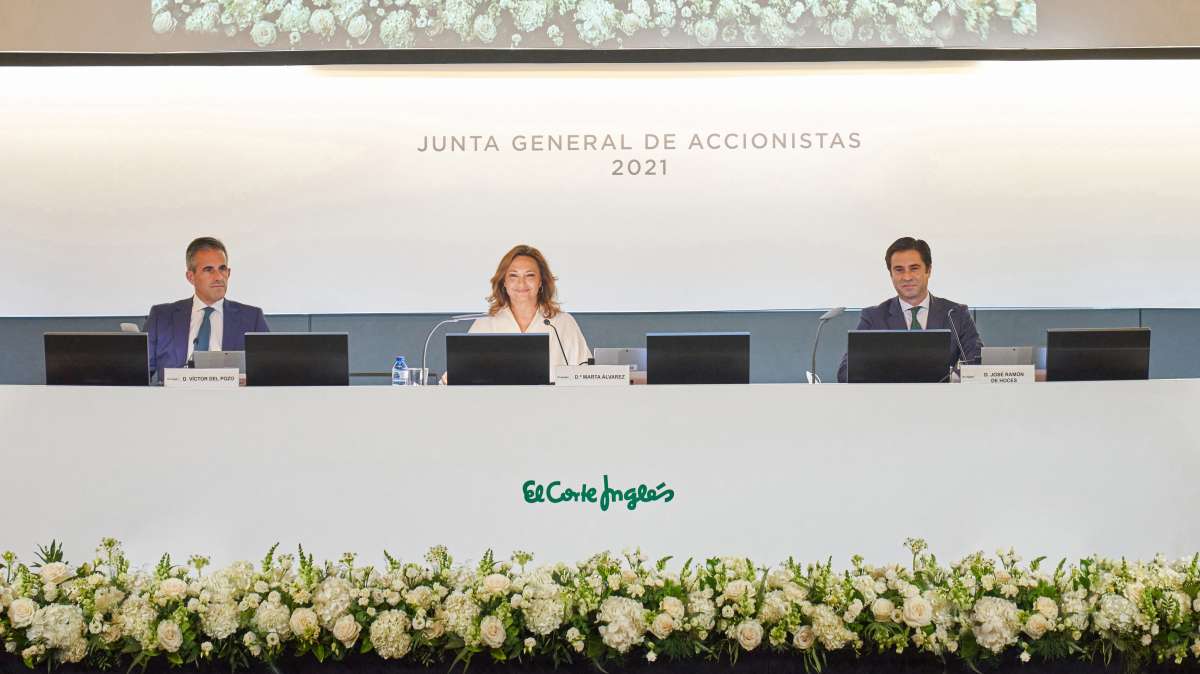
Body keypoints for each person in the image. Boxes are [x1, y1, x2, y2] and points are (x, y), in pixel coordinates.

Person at [837, 237, 982, 383]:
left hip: (942, 396)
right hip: (890, 397)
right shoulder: (874, 317)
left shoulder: (956, 314)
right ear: (891, 274)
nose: (907, 277)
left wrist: (949, 379)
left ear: (928, 270)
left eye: (914, 268)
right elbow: (845, 373)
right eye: (899, 270)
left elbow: (977, 364)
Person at [145, 237, 269, 382]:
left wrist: (249, 380)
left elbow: (268, 373)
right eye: (209, 270)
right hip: (175, 395)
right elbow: (138, 374)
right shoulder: (161, 317)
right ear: (191, 277)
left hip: (231, 395)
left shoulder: (252, 318)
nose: (218, 277)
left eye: (222, 269)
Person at [468, 245, 591, 377]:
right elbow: (466, 374)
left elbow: (586, 374)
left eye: (530, 275)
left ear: (540, 281)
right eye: (513, 276)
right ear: (504, 282)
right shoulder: (484, 324)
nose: (521, 283)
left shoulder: (563, 323)